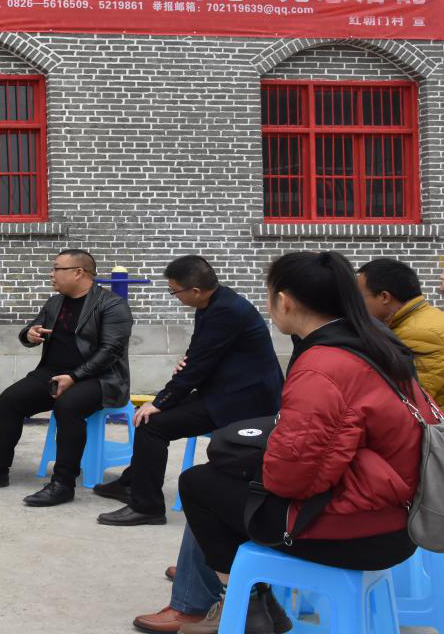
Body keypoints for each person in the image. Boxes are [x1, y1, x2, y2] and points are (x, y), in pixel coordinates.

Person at [177, 251, 431, 634]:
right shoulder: (373, 343)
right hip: (398, 516)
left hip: (364, 531)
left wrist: (265, 457)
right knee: (229, 479)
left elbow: (292, 479)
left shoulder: (323, 366)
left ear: (284, 301)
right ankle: (252, 597)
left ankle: (243, 604)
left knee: (200, 484)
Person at [95, 255, 283, 526]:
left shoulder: (226, 311)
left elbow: (198, 366)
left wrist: (161, 401)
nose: (174, 296)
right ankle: (132, 482)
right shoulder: (214, 303)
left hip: (244, 400)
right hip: (224, 389)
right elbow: (199, 354)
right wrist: (188, 361)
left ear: (195, 290)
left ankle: (147, 507)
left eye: (174, 291)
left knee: (152, 424)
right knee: (148, 418)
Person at [0, 249, 132, 507]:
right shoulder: (55, 302)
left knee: (68, 406)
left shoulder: (112, 305)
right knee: (9, 399)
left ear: (78, 272)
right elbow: (32, 331)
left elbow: (111, 351)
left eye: (57, 268)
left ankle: (63, 484)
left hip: (100, 379)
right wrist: (29, 334)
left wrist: (74, 377)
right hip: (52, 374)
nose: (51, 274)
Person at [358, 257, 444, 405]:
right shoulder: (427, 317)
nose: (357, 304)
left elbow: (410, 400)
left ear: (384, 297)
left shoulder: (419, 333)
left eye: (360, 297)